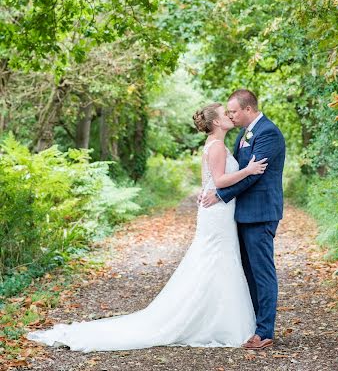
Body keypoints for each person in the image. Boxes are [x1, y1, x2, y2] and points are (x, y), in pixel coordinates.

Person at [26, 102, 267, 352]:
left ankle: (215, 319)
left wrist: (210, 190)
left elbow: (207, 181)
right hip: (217, 213)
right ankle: (216, 323)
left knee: (217, 261)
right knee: (216, 260)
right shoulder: (216, 146)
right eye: (224, 114)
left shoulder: (216, 145)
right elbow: (219, 180)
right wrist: (248, 170)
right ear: (216, 122)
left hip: (218, 211)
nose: (229, 116)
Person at [202, 89, 285, 350]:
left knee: (262, 272)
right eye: (228, 112)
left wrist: (221, 194)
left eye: (234, 111)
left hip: (261, 213)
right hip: (242, 213)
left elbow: (254, 175)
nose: (231, 116)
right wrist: (212, 189)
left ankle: (265, 331)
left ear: (248, 109)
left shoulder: (268, 133)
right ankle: (252, 325)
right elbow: (234, 170)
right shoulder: (242, 134)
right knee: (247, 271)